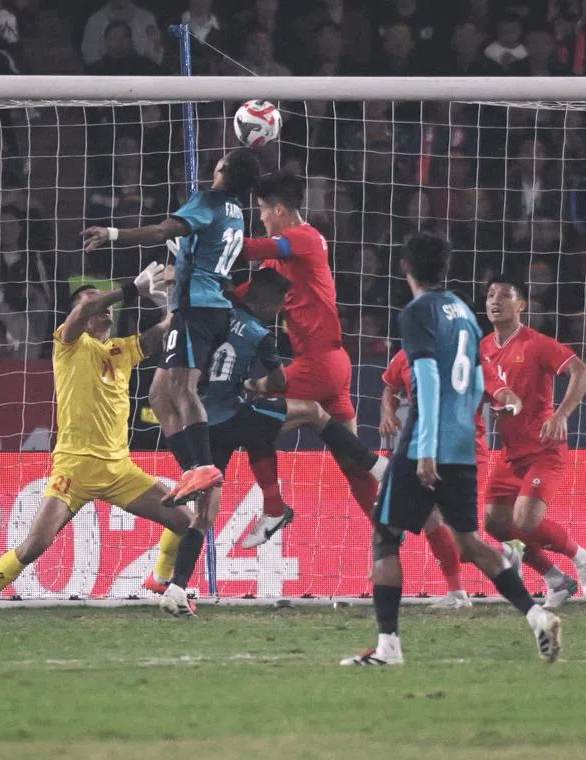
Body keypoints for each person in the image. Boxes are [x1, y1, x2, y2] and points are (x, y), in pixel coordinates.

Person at [341, 234, 561, 666]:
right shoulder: (462, 309)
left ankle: (389, 648)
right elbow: (478, 372)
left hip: (429, 439)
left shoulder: (416, 311)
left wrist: (424, 450)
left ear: (406, 267)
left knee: (385, 538)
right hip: (464, 441)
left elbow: (424, 378)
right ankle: (537, 615)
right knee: (469, 541)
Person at [0, 268, 193, 618]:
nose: (102, 309)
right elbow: (81, 314)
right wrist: (130, 288)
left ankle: (159, 579)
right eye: (92, 304)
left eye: (104, 305)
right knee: (37, 545)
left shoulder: (121, 350)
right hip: (74, 469)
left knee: (186, 522)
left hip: (119, 470)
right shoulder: (68, 345)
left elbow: (165, 329)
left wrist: (171, 299)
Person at [152, 268, 387, 615]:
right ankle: (378, 465)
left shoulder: (215, 318)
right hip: (234, 415)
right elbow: (277, 381)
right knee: (313, 412)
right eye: (278, 305)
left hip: (201, 425)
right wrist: (255, 385)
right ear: (266, 303)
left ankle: (176, 588)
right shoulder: (261, 333)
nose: (279, 312)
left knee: (204, 513)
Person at [81, 148, 261, 506]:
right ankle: (191, 471)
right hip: (206, 306)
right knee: (159, 395)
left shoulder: (209, 200)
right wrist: (187, 254)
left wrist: (113, 233)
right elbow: (207, 250)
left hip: (197, 307)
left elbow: (164, 229)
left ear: (222, 168)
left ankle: (204, 466)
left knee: (181, 387)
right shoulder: (236, 212)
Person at [237, 171, 380, 547]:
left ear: (279, 209)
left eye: (263, 212)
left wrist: (210, 236)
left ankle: (273, 508)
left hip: (317, 365)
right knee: (354, 466)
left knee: (251, 421)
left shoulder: (304, 239)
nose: (262, 219)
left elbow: (251, 248)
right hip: (333, 365)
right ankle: (390, 534)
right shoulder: (281, 261)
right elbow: (247, 295)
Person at [480, 274, 586, 607]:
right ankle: (555, 579)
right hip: (508, 453)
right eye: (491, 295)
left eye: (505, 295)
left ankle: (583, 556)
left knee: (525, 522)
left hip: (543, 449)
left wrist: (560, 415)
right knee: (495, 524)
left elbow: (582, 371)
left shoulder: (536, 343)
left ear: (520, 306)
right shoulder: (484, 347)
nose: (495, 301)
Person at [379, 348, 480, 609]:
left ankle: (502, 557)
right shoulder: (405, 355)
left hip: (455, 446)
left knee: (455, 530)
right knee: (432, 519)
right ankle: (458, 593)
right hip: (422, 443)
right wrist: (388, 414)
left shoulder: (459, 353)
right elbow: (390, 388)